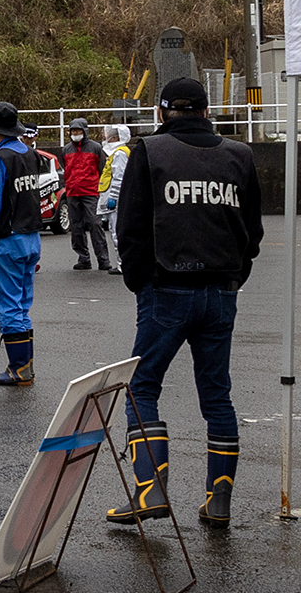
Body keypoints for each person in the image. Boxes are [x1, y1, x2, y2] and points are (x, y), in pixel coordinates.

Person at [106, 78, 262, 530]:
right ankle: (218, 502)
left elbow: (130, 227)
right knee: (216, 394)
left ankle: (150, 489)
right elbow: (252, 232)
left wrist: (140, 282)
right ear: (207, 111)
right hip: (221, 291)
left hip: (166, 287)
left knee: (142, 387)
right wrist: (234, 276)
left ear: (161, 112)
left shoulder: (149, 152)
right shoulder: (240, 155)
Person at [0, 101, 43, 386]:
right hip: (31, 238)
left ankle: (19, 369)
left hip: (6, 240)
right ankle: (25, 366)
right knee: (22, 306)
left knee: (7, 307)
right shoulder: (29, 153)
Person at [60, 116, 110, 271]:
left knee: (95, 224)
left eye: (78, 130)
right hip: (72, 192)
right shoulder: (66, 150)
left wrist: (102, 190)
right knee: (76, 227)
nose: (75, 133)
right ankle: (83, 258)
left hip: (91, 192)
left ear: (84, 131)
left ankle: (103, 259)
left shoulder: (95, 148)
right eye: (73, 131)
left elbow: (102, 169)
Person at [97, 125, 132, 274]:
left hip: (116, 201)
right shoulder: (117, 153)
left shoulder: (119, 154)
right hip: (116, 199)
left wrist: (113, 197)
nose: (106, 137)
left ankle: (122, 264)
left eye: (111, 134)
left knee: (117, 232)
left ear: (117, 137)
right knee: (115, 231)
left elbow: (119, 178)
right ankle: (122, 263)